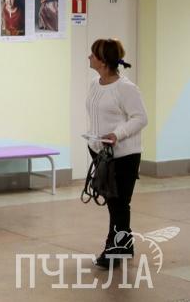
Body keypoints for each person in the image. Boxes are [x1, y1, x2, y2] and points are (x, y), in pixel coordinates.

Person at [85, 38, 147, 269]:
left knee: (119, 204)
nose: (89, 57)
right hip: (101, 153)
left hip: (124, 156)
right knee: (114, 202)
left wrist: (117, 134)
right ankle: (125, 246)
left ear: (102, 61)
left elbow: (141, 118)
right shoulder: (95, 83)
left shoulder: (126, 88)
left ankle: (114, 250)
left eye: (93, 54)